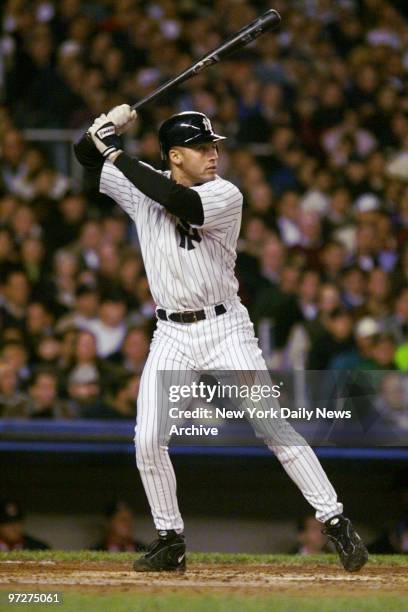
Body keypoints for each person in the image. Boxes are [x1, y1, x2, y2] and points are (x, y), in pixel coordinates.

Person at [74, 104, 368, 573]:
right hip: (170, 332)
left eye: (213, 146)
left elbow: (179, 203)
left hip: (225, 327)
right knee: (148, 438)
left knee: (272, 426)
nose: (213, 154)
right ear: (174, 155)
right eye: (201, 147)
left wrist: (112, 150)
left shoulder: (224, 193)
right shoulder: (142, 186)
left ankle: (335, 522)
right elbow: (85, 157)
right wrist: (104, 128)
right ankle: (170, 539)